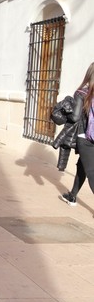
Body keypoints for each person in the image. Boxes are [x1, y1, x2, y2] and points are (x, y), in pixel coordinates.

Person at [60, 62, 94, 206]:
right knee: (83, 166)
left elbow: (75, 117)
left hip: (85, 138)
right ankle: (72, 196)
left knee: (91, 171)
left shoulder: (82, 93)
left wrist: (64, 108)